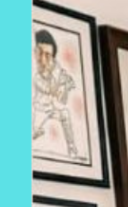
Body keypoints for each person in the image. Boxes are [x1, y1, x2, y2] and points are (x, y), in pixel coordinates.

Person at [32, 29, 79, 159]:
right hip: (39, 109)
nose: (43, 59)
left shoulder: (56, 69)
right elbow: (48, 89)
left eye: (47, 55)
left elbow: (68, 81)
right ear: (34, 52)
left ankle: (71, 146)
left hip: (52, 108)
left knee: (65, 114)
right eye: (39, 53)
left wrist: (65, 85)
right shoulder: (36, 76)